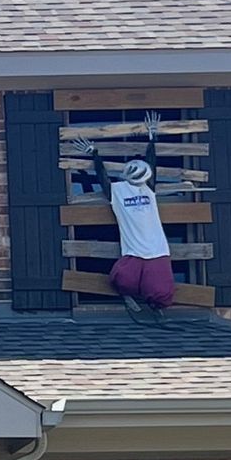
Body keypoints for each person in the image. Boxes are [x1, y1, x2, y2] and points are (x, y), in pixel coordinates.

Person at [71, 112, 173, 318]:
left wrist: (152, 138)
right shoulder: (117, 191)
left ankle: (156, 308)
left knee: (161, 291)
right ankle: (129, 296)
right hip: (133, 250)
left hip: (157, 249)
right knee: (122, 279)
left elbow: (151, 162)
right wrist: (95, 154)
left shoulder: (148, 188)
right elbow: (102, 178)